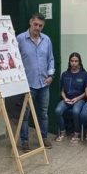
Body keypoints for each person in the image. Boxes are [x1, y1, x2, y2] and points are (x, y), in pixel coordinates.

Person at [13, 13, 55, 150]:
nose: (37, 27)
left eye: (40, 26)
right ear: (30, 23)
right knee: (25, 115)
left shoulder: (46, 40)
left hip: (44, 84)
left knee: (43, 113)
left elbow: (51, 59)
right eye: (35, 24)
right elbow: (14, 60)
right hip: (27, 85)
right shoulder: (20, 39)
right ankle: (25, 141)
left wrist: (51, 75)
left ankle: (43, 138)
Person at [53, 52, 87, 142]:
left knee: (76, 111)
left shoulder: (84, 74)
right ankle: (63, 132)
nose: (74, 63)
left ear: (79, 62)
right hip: (67, 99)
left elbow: (86, 91)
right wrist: (65, 98)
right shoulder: (65, 74)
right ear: (69, 62)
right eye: (72, 61)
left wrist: (77, 99)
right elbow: (62, 90)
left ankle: (77, 133)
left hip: (79, 99)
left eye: (76, 61)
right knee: (58, 111)